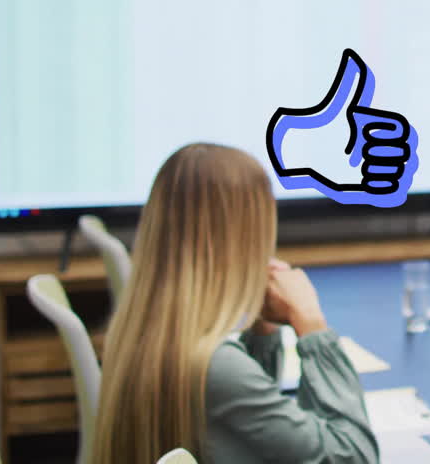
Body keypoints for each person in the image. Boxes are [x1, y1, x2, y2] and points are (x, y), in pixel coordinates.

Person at [93, 142, 379, 463]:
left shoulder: (144, 330)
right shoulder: (216, 365)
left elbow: (250, 430)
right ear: (248, 239)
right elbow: (353, 457)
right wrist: (312, 326)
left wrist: (263, 331)